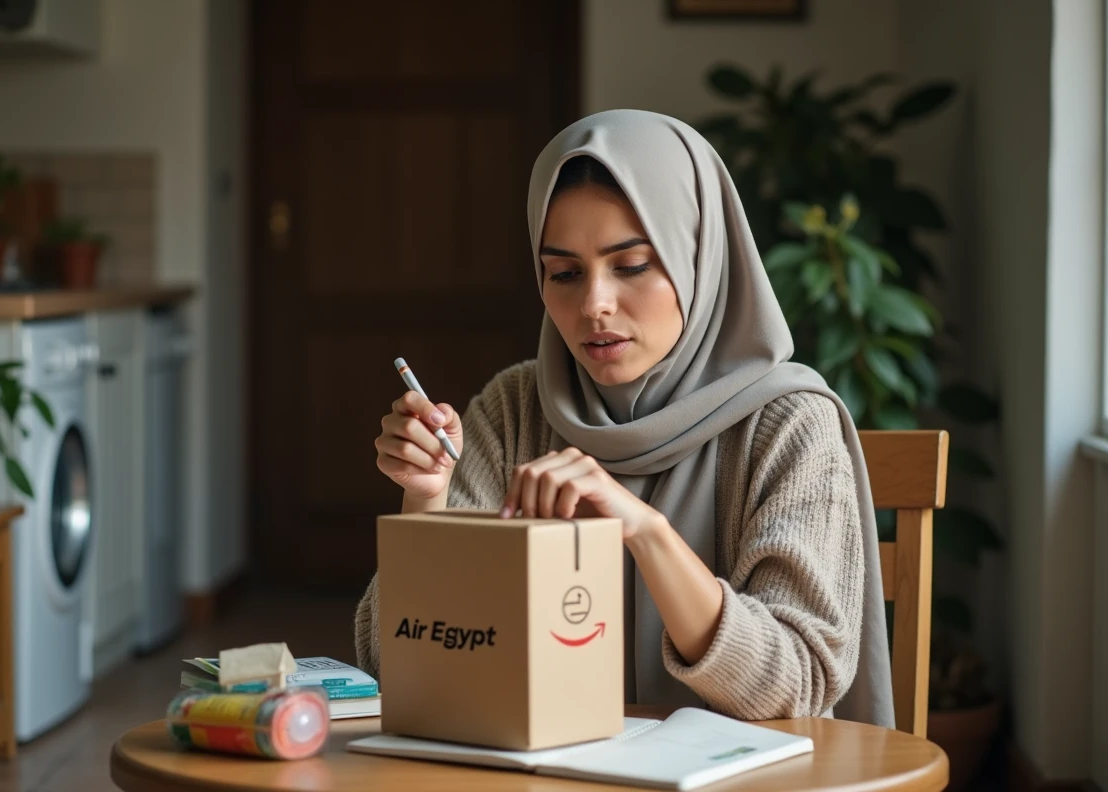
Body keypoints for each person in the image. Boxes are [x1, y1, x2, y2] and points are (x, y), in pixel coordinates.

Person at [356, 109, 894, 728]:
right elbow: (400, 665)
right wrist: (427, 500)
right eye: (563, 273)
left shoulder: (789, 426)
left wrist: (646, 532)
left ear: (698, 257)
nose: (594, 305)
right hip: (550, 765)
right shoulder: (516, 408)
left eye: (632, 265)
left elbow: (794, 687)